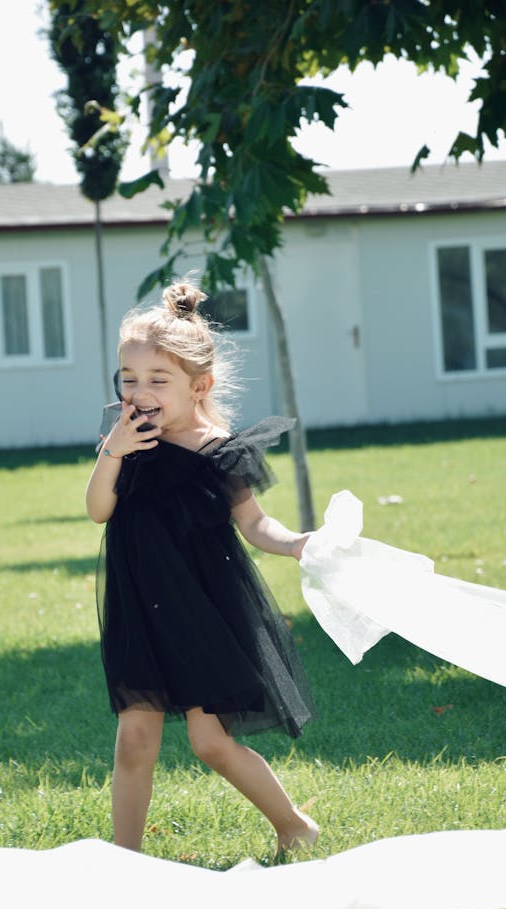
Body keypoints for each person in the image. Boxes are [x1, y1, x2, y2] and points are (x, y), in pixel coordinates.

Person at [86, 279, 319, 856]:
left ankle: (294, 824)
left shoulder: (220, 452)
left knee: (209, 741)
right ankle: (127, 859)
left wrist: (294, 544)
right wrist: (112, 453)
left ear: (199, 386)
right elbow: (98, 511)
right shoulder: (126, 443)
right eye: (130, 380)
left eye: (158, 381)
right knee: (134, 738)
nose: (140, 393)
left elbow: (256, 524)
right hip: (141, 606)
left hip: (206, 609)